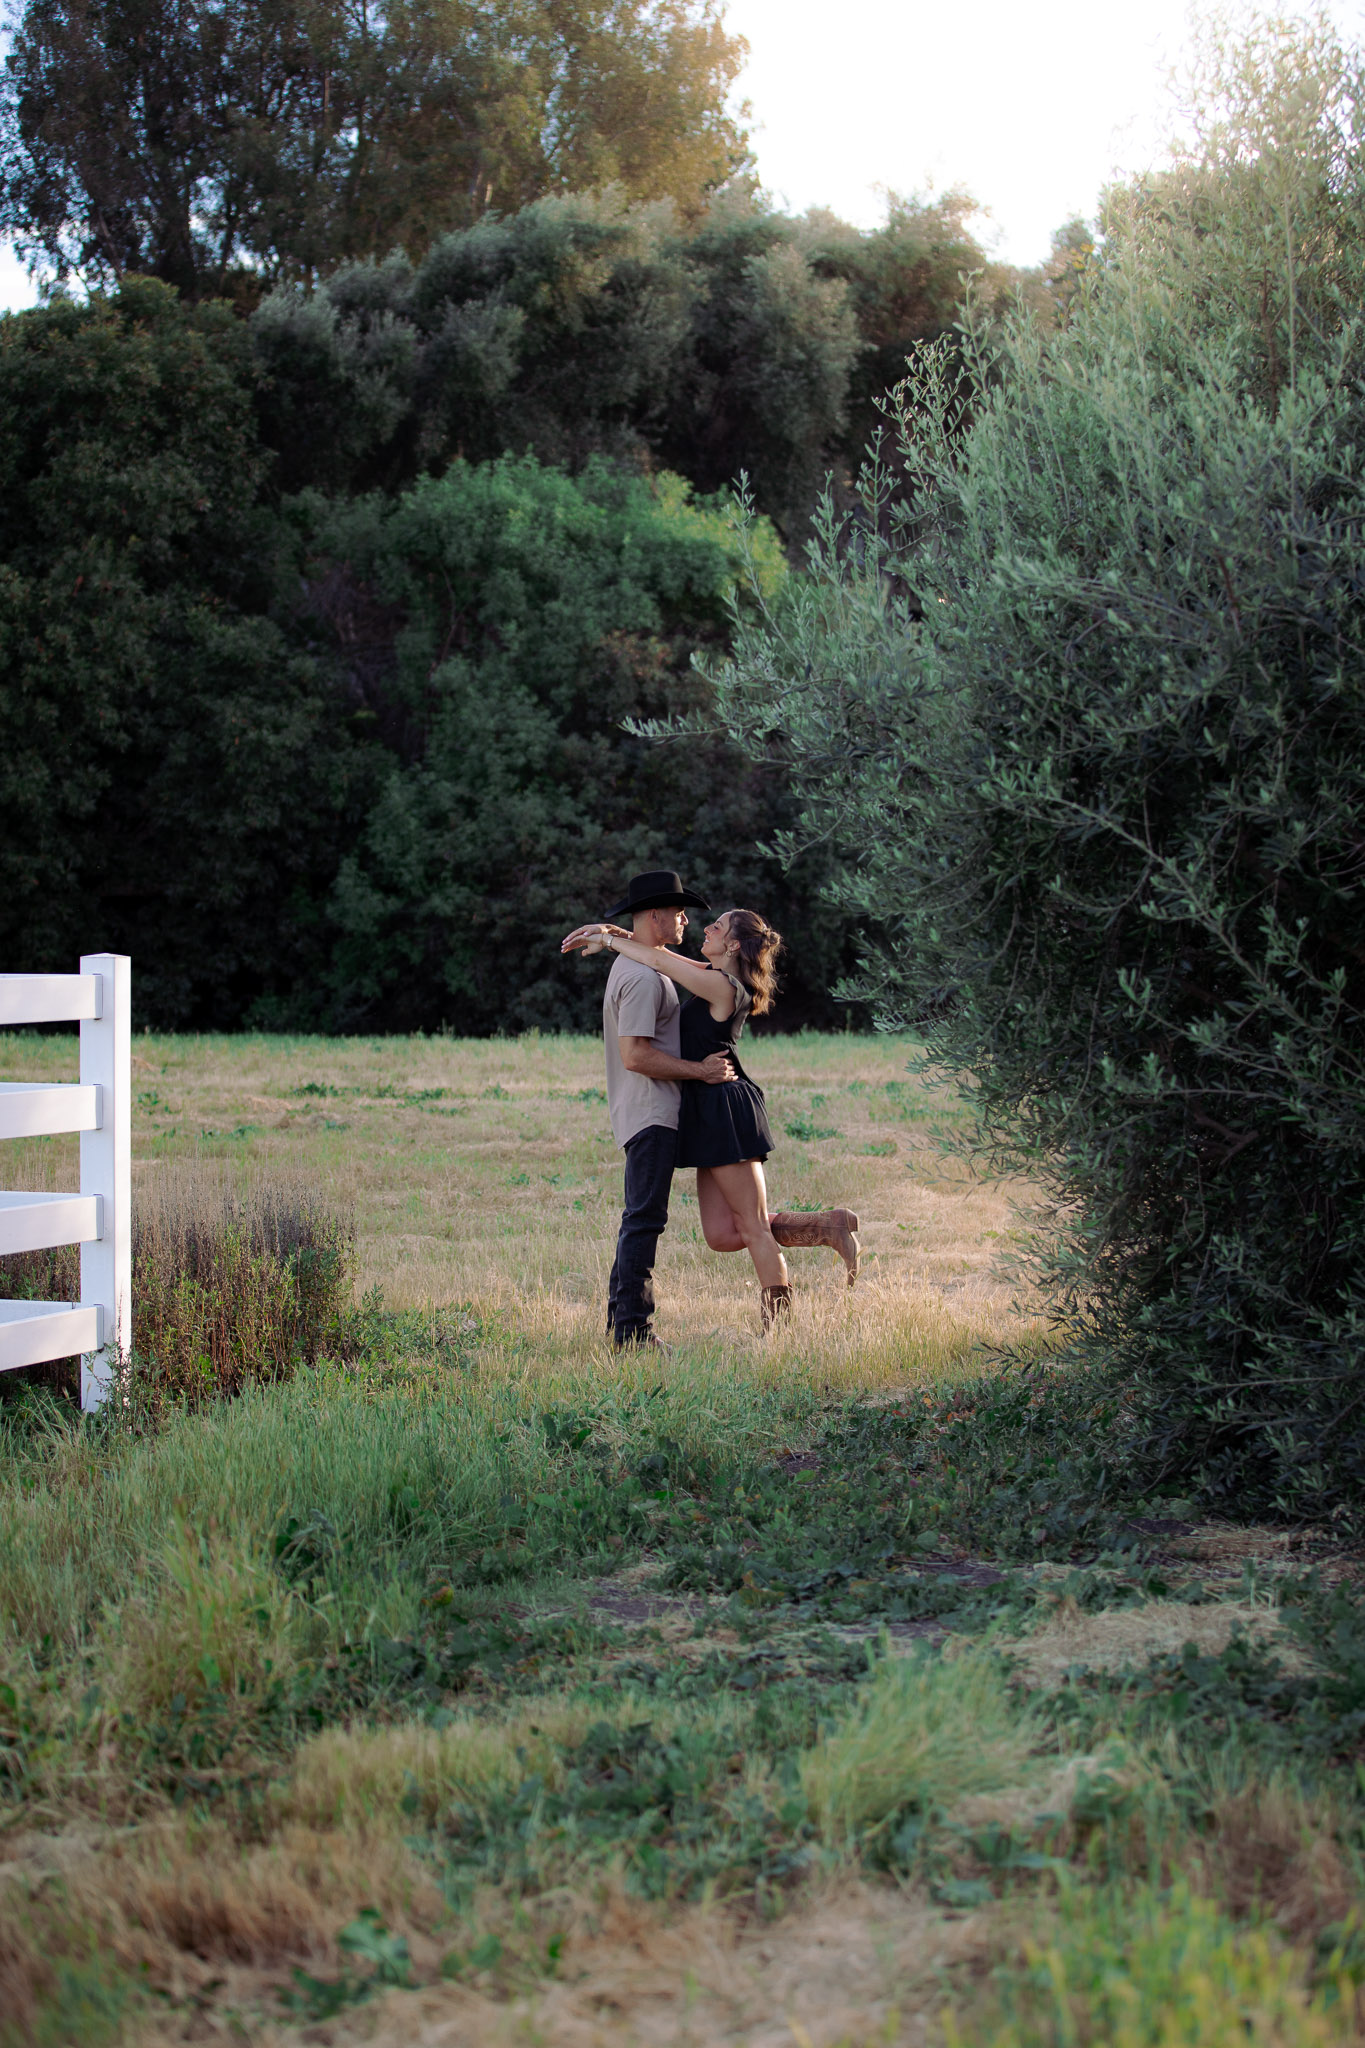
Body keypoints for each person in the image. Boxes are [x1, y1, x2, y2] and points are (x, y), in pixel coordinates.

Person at [563, 896, 861, 1335]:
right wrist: (621, 935)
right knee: (722, 1235)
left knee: (753, 1226)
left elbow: (659, 960)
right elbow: (660, 956)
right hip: (705, 1107)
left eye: (718, 928)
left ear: (735, 946)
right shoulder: (712, 975)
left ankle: (778, 1332)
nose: (707, 929)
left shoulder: (724, 988)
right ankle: (827, 1227)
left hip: (725, 1106)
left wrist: (609, 940)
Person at [580, 870, 736, 1349]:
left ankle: (622, 1324)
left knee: (639, 1218)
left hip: (648, 1111)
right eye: (678, 911)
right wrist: (702, 1071)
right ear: (656, 916)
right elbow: (636, 1056)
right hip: (650, 1112)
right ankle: (634, 1333)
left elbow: (666, 961)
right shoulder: (644, 979)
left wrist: (615, 938)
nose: (686, 918)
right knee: (645, 1220)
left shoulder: (645, 967)